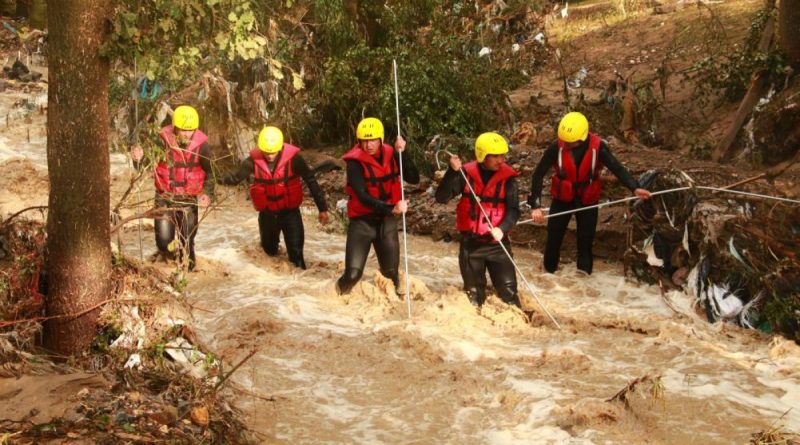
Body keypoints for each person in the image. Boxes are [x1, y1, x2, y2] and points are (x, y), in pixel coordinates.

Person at [528, 111, 651, 274]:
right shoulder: (555, 147)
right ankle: (548, 275)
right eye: (564, 140)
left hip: (587, 199)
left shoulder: (598, 147)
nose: (565, 144)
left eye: (570, 142)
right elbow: (538, 174)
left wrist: (634, 187)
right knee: (553, 239)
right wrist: (535, 205)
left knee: (585, 240)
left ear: (581, 138)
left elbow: (616, 168)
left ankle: (584, 277)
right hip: (562, 199)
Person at [220, 126, 330, 269]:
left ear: (280, 147)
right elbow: (235, 178)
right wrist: (214, 178)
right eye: (266, 152)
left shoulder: (295, 160)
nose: (270, 155)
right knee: (269, 256)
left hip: (290, 215)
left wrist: (322, 208)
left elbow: (311, 181)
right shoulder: (251, 162)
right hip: (267, 216)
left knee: (297, 260)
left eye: (273, 152)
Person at [435, 132, 521, 308]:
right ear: (482, 156)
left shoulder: (509, 180)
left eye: (502, 155)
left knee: (509, 297)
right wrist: (452, 172)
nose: (501, 160)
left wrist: (502, 228)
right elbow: (441, 197)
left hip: (497, 245)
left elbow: (514, 211)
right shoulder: (465, 174)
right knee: (474, 299)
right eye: (495, 156)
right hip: (471, 246)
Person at [335, 117, 420, 295]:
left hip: (386, 223)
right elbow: (362, 196)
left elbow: (414, 178)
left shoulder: (392, 153)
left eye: (373, 140)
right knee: (352, 275)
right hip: (362, 223)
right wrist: (391, 208)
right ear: (359, 142)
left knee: (391, 277)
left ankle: (391, 311)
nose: (369, 145)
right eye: (364, 141)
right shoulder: (354, 163)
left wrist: (402, 154)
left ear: (380, 139)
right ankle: (336, 295)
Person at [131, 105, 214, 271]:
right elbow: (145, 164)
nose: (186, 134)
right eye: (182, 130)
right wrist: (137, 158)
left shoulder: (203, 147)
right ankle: (166, 264)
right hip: (165, 197)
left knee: (187, 244)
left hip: (188, 199)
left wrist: (208, 194)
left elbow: (210, 173)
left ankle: (187, 277)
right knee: (163, 242)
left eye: (190, 130)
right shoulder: (162, 141)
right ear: (175, 128)